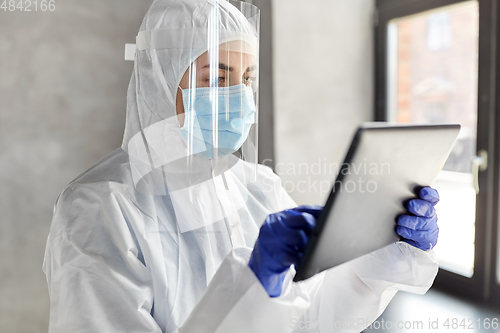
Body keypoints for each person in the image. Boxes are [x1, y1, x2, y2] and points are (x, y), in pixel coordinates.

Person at [42, 0, 440, 332]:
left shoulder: (258, 186)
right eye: (217, 78)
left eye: (247, 79)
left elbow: (313, 320)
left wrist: (387, 245)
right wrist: (251, 285)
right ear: (162, 79)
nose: (239, 96)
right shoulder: (99, 208)